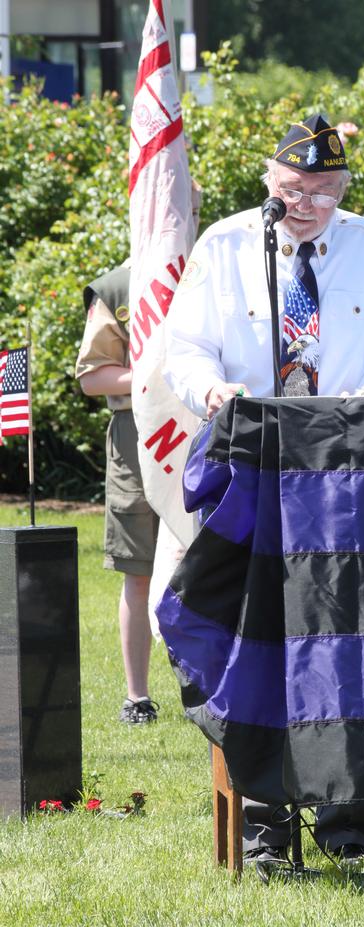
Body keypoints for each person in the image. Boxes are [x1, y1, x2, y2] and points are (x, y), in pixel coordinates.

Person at [163, 114, 364, 865]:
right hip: (250, 467)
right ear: (268, 183)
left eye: (323, 192)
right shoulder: (227, 247)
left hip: (345, 474)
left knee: (347, 646)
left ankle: (347, 820)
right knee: (260, 645)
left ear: (342, 190)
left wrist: (358, 408)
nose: (306, 204)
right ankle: (267, 826)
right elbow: (184, 347)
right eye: (293, 189)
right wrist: (212, 393)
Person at [75, 264, 160, 725]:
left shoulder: (214, 264)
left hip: (207, 425)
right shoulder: (118, 287)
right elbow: (93, 377)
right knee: (138, 567)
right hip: (139, 433)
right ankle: (138, 697)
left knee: (213, 564)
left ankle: (212, 695)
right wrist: (154, 376)